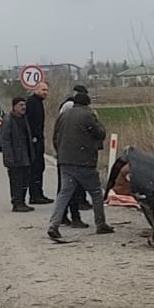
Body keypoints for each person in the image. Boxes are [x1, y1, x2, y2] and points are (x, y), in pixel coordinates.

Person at [47, 92, 114, 241]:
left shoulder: (63, 115)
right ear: (87, 104)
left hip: (65, 162)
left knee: (64, 193)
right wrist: (97, 120)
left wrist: (61, 154)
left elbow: (55, 137)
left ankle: (54, 224)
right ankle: (100, 224)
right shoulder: (87, 115)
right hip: (84, 162)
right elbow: (100, 133)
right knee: (96, 193)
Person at [57, 84, 90, 225]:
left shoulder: (65, 108)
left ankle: (61, 218)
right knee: (71, 189)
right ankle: (73, 217)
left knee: (65, 190)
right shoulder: (72, 109)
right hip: (74, 157)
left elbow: (56, 135)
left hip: (64, 155)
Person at [0, 97, 36, 213]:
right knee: (16, 181)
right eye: (20, 105)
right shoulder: (8, 120)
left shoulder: (24, 119)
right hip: (15, 157)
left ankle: (22, 201)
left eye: (24, 105)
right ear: (14, 106)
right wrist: (9, 157)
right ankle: (16, 203)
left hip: (26, 156)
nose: (23, 107)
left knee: (25, 180)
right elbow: (5, 140)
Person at [25, 80, 53, 204]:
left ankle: (38, 193)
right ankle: (35, 195)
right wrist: (33, 138)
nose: (45, 92)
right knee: (35, 168)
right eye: (43, 90)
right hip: (34, 142)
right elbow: (30, 123)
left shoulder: (38, 103)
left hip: (39, 140)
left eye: (46, 90)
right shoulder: (32, 103)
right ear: (36, 90)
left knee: (39, 167)